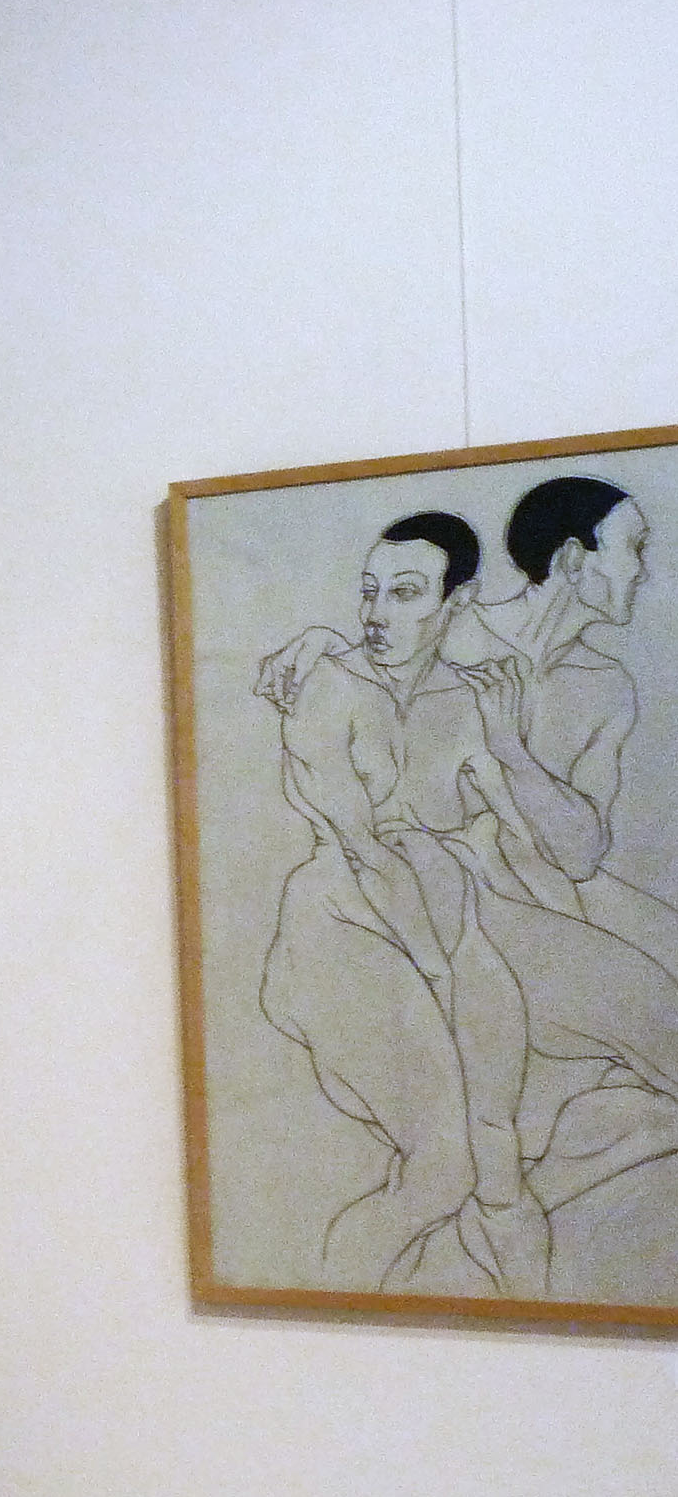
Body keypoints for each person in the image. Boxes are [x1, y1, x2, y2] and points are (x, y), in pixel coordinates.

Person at [258, 514, 547, 1290]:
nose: (377, 613)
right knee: (441, 1169)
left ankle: (538, 1318)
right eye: (370, 592)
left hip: (449, 925)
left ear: (456, 602)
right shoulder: (327, 689)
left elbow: (544, 845)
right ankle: (327, 1308)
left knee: (500, 1166)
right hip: (342, 923)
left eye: (407, 593)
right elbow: (363, 851)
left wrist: (511, 757)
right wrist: (436, 968)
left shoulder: (471, 698)